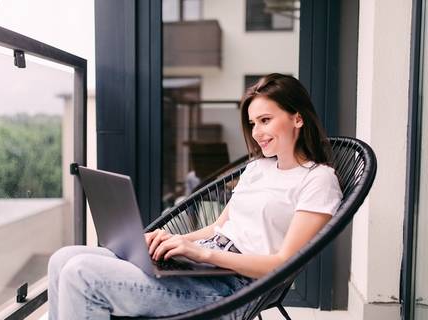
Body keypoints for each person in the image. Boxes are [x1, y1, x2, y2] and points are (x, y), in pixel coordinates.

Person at [47, 73, 342, 320]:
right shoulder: (258, 168)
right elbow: (218, 228)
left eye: (265, 120)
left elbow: (282, 263)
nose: (256, 133)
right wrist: (174, 241)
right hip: (202, 266)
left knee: (82, 274)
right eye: (253, 123)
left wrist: (204, 254)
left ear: (298, 119)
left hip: (233, 287)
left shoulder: (318, 180)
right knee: (63, 258)